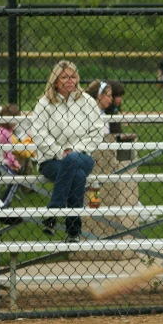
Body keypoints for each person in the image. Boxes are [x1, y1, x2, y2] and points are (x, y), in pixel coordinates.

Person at [31, 61, 104, 243]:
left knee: (73, 162)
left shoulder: (86, 101)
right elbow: (39, 134)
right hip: (51, 160)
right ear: (55, 81)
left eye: (73, 76)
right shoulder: (44, 103)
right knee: (77, 176)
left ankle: (53, 213)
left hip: (83, 156)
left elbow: (97, 131)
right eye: (64, 77)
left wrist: (74, 150)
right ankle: (73, 232)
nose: (70, 80)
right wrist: (58, 151)